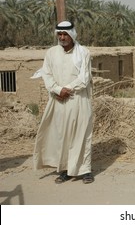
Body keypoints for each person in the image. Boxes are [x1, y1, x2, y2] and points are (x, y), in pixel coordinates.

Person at [32, 20, 94, 184]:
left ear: (72, 34)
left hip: (79, 99)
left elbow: (84, 78)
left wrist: (66, 89)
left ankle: (85, 170)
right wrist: (57, 90)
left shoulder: (83, 53)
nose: (62, 37)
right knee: (63, 136)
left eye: (65, 34)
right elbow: (46, 74)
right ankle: (65, 170)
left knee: (82, 135)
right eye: (59, 34)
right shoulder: (51, 53)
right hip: (59, 100)